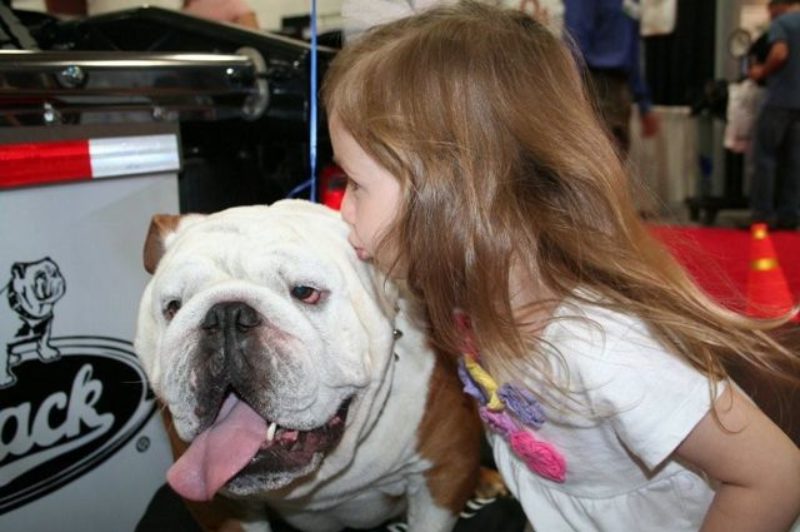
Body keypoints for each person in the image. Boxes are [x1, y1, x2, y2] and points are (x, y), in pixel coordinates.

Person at [322, 2, 800, 530]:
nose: (343, 210)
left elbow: (775, 476)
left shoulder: (604, 348)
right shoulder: (466, 297)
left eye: (355, 185)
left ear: (458, 192)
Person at [563, 0, 659, 156]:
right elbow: (575, 42)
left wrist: (644, 104)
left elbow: (633, 51)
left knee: (616, 161)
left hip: (621, 88)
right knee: (595, 162)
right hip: (593, 83)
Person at [748, 0, 800, 230]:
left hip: (779, 100)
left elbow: (779, 53)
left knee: (766, 158)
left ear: (778, 6)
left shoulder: (782, 23)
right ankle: (790, 215)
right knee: (795, 161)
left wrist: (761, 71)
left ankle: (763, 215)